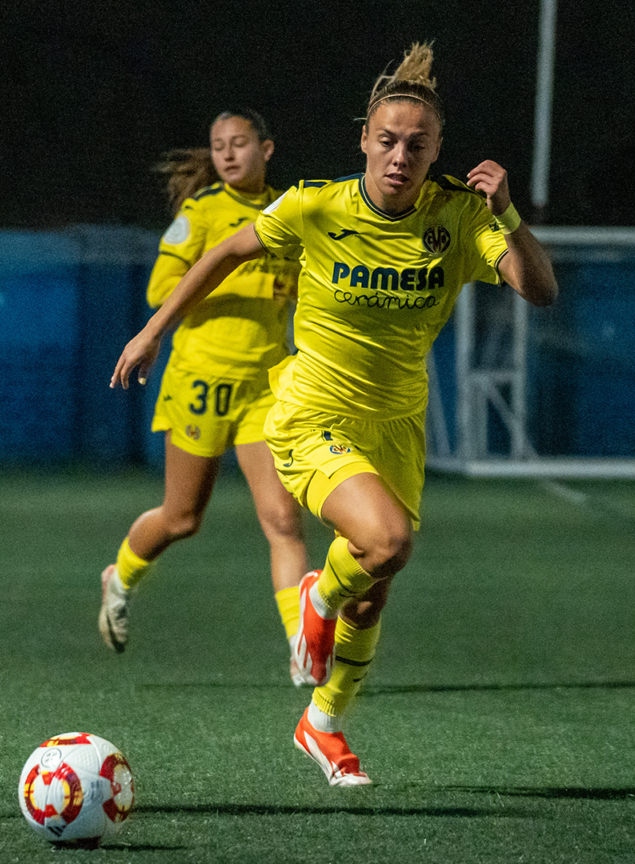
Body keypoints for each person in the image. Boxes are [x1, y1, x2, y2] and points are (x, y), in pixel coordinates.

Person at [111, 44, 558, 786]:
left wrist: (508, 213)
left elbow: (538, 290)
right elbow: (223, 251)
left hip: (397, 424)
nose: (400, 156)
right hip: (311, 412)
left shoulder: (457, 216)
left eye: (418, 145)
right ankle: (316, 594)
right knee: (385, 543)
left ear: (437, 151)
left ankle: (322, 723)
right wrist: (153, 331)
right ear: (364, 141)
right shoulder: (317, 205)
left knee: (376, 584)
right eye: (387, 140)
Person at [97, 110, 311, 683]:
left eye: (239, 143)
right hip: (201, 381)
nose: (228, 154)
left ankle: (302, 647)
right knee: (182, 518)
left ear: (266, 148)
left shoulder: (290, 211)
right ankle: (118, 577)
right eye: (218, 146)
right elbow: (161, 288)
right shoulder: (202, 212)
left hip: (264, 388)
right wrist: (250, 280)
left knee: (283, 520)